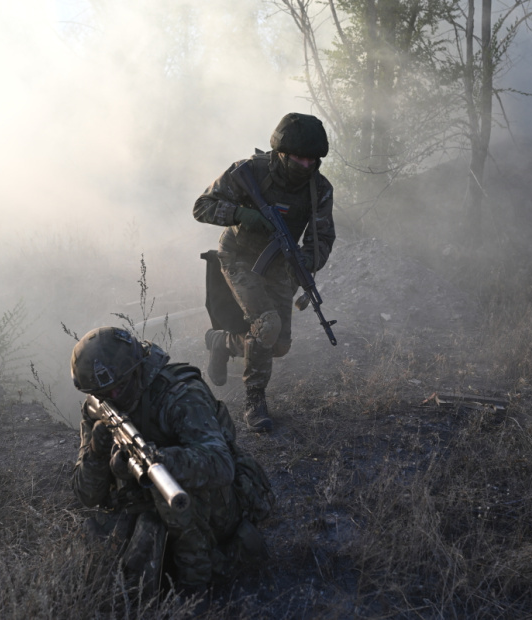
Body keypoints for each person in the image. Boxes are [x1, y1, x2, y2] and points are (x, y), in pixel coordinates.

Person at [70, 326, 273, 590]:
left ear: (137, 370)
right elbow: (86, 495)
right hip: (147, 500)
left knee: (165, 506)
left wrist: (163, 459)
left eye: (118, 389)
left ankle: (198, 584)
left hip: (205, 497)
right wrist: (98, 452)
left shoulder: (180, 393)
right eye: (102, 393)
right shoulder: (99, 405)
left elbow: (221, 465)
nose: (113, 398)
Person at [193, 112, 336, 432]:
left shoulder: (318, 189)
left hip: (278, 263)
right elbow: (202, 206)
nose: (305, 166)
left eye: (311, 160)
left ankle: (222, 342)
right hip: (238, 256)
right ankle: (255, 400)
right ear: (281, 153)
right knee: (267, 324)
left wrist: (307, 263)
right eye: (298, 158)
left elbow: (322, 237)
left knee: (279, 345)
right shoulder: (250, 172)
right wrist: (242, 214)